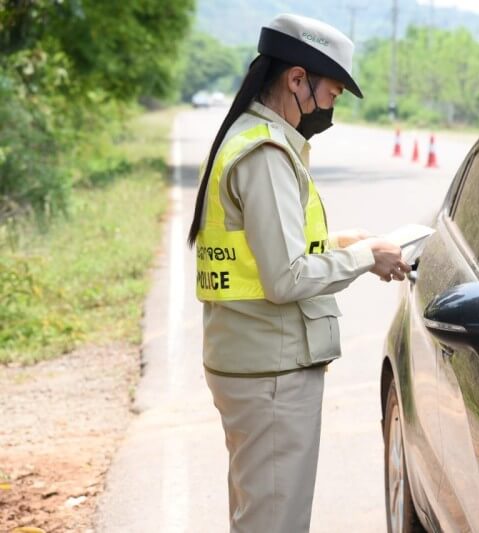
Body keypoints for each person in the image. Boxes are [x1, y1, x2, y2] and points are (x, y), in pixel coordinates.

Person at [186, 13, 411, 533]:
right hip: (270, 370)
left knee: (258, 511)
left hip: (249, 356)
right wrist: (364, 259)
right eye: (330, 93)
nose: (330, 108)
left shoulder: (245, 136)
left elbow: (270, 249)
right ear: (296, 79)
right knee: (274, 521)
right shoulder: (266, 153)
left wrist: (341, 243)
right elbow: (284, 278)